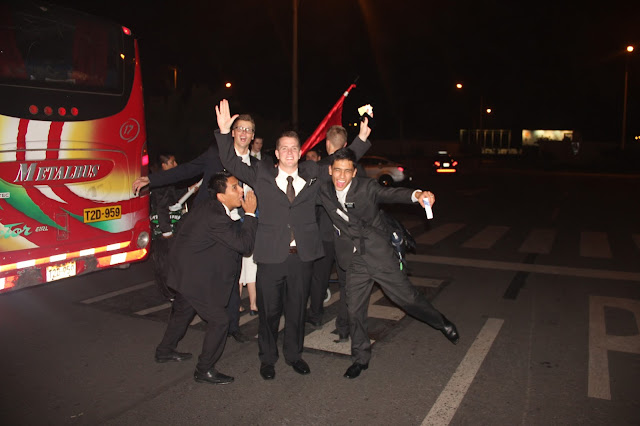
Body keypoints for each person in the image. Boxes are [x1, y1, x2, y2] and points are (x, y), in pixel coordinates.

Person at [214, 99, 371, 381]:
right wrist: (225, 133)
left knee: (297, 311)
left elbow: (340, 164)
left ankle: (294, 355)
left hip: (302, 257)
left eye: (294, 148)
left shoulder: (312, 173)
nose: (289, 152)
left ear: (300, 152)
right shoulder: (262, 173)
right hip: (271, 257)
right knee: (269, 312)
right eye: (284, 148)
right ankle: (268, 358)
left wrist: (360, 139)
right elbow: (230, 161)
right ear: (277, 153)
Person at [317, 148, 460, 379]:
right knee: (354, 310)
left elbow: (392, 194)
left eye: (347, 171)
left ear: (354, 173)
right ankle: (360, 358)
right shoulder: (324, 190)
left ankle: (440, 322)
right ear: (330, 171)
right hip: (353, 261)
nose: (341, 176)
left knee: (407, 299)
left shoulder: (367, 188)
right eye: (337, 170)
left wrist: (418, 195)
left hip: (378, 255)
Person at [133, 117, 259, 343]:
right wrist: (151, 179)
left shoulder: (257, 164)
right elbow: (185, 170)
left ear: (252, 136)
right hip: (208, 227)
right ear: (232, 133)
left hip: (236, 225)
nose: (243, 133)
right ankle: (170, 342)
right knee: (194, 279)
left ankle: (232, 326)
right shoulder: (215, 154)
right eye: (239, 128)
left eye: (248, 130)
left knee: (232, 276)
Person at [154, 172, 258, 385]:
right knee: (220, 321)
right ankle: (204, 369)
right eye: (235, 187)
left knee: (183, 313)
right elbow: (244, 245)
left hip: (187, 273)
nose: (241, 190)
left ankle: (164, 351)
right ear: (221, 195)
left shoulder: (210, 207)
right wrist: (250, 214)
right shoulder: (215, 215)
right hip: (193, 278)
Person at [306, 126, 367, 340]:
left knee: (319, 277)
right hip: (345, 235)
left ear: (327, 143)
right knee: (345, 282)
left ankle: (316, 315)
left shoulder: (321, 168)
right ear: (345, 145)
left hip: (324, 233)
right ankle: (343, 326)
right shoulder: (356, 168)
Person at [149, 153, 189, 301]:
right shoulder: (161, 182)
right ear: (164, 165)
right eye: (172, 162)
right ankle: (169, 293)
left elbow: (174, 197)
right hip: (163, 231)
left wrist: (189, 189)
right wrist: (166, 230)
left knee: (173, 261)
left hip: (170, 227)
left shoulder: (168, 180)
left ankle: (174, 291)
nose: (176, 165)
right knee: (164, 263)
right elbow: (161, 206)